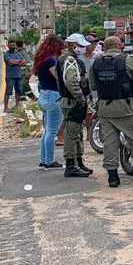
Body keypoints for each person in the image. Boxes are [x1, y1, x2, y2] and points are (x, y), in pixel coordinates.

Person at [89, 36, 133, 188]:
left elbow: (93, 85)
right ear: (120, 45)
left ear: (105, 47)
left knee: (110, 143)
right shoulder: (127, 60)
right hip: (126, 108)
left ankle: (113, 178)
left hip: (105, 109)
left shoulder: (96, 64)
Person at [57, 34, 93, 178]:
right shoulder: (70, 60)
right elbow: (72, 82)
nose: (84, 48)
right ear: (73, 45)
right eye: (81, 46)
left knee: (77, 133)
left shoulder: (68, 59)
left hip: (72, 101)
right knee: (72, 134)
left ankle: (78, 162)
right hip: (73, 102)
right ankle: (71, 165)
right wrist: (80, 98)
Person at [33, 35, 65, 169]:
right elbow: (58, 77)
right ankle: (49, 161)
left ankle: (44, 159)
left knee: (47, 131)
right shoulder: (51, 61)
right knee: (52, 132)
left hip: (44, 95)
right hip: (53, 96)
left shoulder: (41, 60)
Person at [3, 41, 26, 111]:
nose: (12, 46)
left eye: (13, 45)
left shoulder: (18, 53)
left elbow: (24, 62)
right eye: (11, 45)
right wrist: (19, 62)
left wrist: (15, 62)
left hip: (18, 75)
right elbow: (10, 62)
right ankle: (6, 107)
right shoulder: (6, 54)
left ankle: (17, 106)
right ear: (8, 46)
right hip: (10, 76)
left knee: (18, 91)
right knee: (8, 92)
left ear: (15, 46)